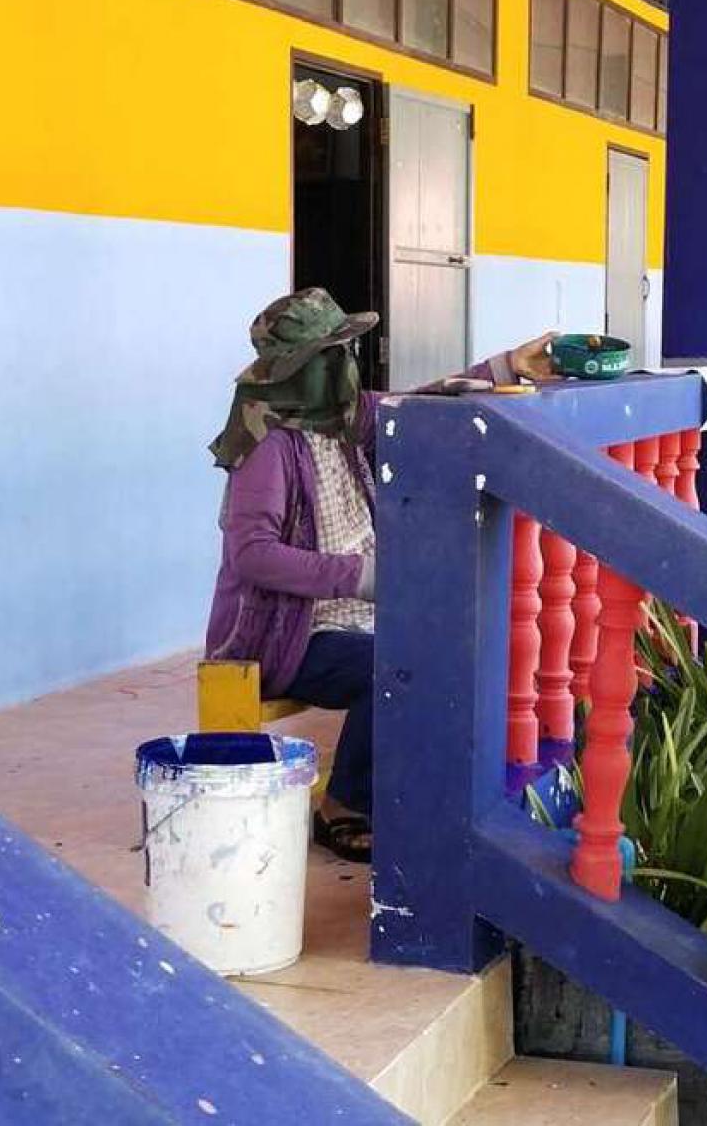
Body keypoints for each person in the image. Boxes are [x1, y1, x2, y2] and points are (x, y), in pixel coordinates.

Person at [206, 288, 556, 862]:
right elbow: (253, 555)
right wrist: (362, 577)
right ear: (300, 370)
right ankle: (344, 804)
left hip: (354, 613)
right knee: (393, 666)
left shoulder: (342, 418)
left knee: (454, 648)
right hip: (288, 633)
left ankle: (419, 791)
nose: (346, 364)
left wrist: (506, 366)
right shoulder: (267, 446)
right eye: (332, 354)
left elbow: (420, 408)